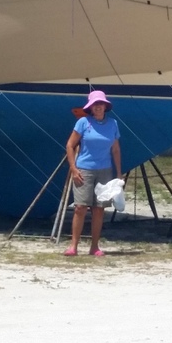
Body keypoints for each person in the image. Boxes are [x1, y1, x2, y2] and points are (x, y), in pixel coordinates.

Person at [64, 90, 122, 257]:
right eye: (95, 104)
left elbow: (116, 149)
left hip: (104, 170)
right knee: (80, 207)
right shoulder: (83, 122)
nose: (98, 107)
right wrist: (73, 168)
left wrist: (119, 173)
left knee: (99, 209)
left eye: (101, 104)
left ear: (105, 106)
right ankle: (73, 246)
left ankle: (94, 247)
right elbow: (70, 145)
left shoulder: (113, 124)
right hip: (84, 169)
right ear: (90, 107)